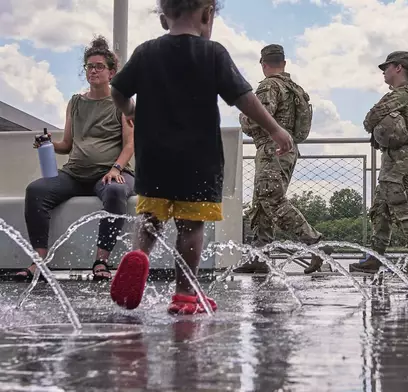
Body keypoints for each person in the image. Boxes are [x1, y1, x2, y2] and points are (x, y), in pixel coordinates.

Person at [108, 0, 293, 315]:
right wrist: (276, 129)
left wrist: (130, 111)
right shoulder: (213, 54)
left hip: (154, 158)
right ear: (208, 14)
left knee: (151, 218)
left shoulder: (146, 52)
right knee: (191, 227)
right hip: (199, 159)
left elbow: (118, 90)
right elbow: (244, 99)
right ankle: (184, 295)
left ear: (165, 18)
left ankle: (139, 255)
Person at [16, 37, 135, 282]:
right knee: (36, 191)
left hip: (110, 172)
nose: (93, 70)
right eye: (89, 66)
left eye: (99, 66)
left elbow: (130, 144)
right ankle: (39, 260)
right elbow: (67, 144)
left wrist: (115, 169)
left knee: (115, 191)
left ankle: (101, 260)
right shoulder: (76, 102)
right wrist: (48, 143)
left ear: (111, 72)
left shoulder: (121, 102)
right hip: (74, 173)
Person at [235, 44, 331, 275]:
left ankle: (315, 243)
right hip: (287, 149)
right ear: (284, 63)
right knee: (261, 203)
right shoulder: (294, 88)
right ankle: (260, 256)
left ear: (263, 64)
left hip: (272, 148)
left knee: (272, 199)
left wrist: (242, 118)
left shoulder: (269, 85)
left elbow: (258, 117)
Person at [349, 51, 408, 274]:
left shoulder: (401, 95)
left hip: (400, 162)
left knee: (403, 210)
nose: (384, 72)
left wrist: (372, 123)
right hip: (398, 160)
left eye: (387, 67)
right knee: (381, 210)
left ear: (399, 68)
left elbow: (371, 118)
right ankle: (375, 258)